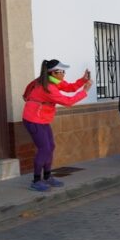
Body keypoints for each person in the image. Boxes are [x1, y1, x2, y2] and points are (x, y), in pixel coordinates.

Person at [22, 59, 92, 191]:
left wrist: (83, 80)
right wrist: (85, 91)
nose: (64, 74)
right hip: (34, 119)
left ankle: (47, 176)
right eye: (62, 71)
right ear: (53, 73)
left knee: (50, 147)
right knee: (44, 149)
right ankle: (36, 180)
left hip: (42, 119)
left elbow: (69, 88)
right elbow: (68, 101)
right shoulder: (48, 87)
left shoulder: (51, 81)